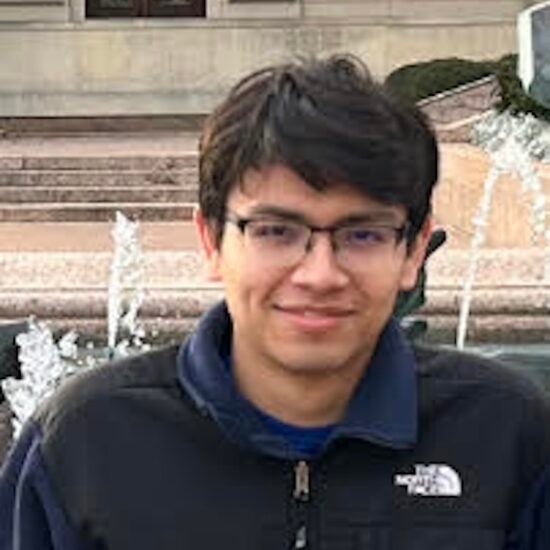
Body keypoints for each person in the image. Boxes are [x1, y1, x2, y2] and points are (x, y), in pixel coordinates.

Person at [1, 55, 549, 550]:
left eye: (362, 235)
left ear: (413, 250)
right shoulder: (85, 439)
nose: (319, 274)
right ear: (212, 240)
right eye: (275, 231)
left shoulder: (508, 433)